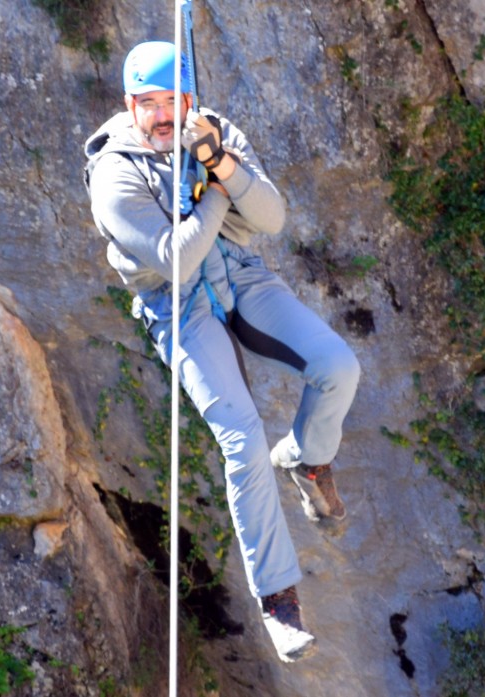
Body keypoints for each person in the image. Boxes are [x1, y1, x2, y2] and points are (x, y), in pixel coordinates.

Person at [84, 40, 360, 662]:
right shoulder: (113, 174)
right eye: (148, 104)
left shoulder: (213, 131)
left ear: (189, 99)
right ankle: (278, 599)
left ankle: (307, 461)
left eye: (171, 102)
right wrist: (212, 191)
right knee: (242, 439)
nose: (161, 116)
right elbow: (177, 261)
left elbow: (272, 218)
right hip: (178, 304)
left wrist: (221, 162)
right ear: (129, 105)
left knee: (337, 367)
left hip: (241, 274)